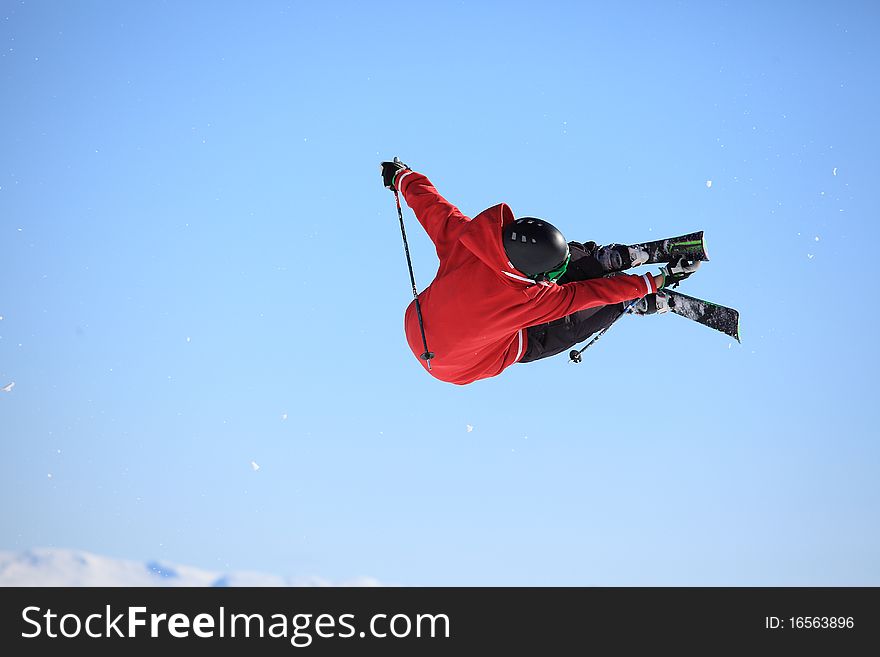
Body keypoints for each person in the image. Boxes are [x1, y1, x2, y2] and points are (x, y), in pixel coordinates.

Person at [381, 158, 700, 385]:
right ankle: (613, 285)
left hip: (421, 324)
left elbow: (434, 209)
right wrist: (655, 281)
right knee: (568, 323)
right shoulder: (533, 301)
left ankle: (603, 266)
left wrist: (403, 178)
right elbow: (590, 294)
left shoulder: (469, 242)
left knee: (567, 294)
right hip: (468, 362)